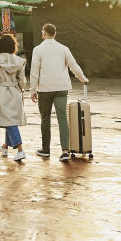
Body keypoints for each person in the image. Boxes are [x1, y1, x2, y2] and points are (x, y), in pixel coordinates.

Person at [29, 23, 89, 162]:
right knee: (62, 118)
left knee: (45, 118)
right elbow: (74, 66)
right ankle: (65, 151)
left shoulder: (38, 50)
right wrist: (83, 79)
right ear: (55, 34)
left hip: (44, 89)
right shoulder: (64, 49)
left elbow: (34, 71)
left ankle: (45, 150)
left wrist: (33, 90)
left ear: (44, 34)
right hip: (61, 88)